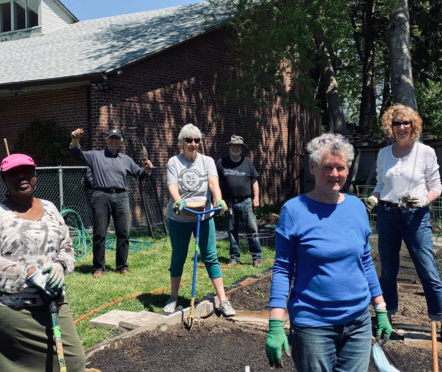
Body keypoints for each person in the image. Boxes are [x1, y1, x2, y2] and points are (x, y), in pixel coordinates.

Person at [266, 133, 392, 371]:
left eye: (340, 167)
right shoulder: (293, 211)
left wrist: (381, 308)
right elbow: (283, 269)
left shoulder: (357, 208)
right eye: (327, 167)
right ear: (312, 167)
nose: (335, 174)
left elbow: (365, 261)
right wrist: (275, 324)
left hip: (358, 322)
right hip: (313, 324)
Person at [364, 104, 442, 350]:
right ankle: (386, 316)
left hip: (415, 213)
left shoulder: (426, 152)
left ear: (414, 125)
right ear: (391, 126)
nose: (401, 127)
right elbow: (380, 183)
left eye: (406, 122)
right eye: (396, 123)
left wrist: (426, 199)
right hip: (387, 212)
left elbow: (437, 186)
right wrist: (374, 198)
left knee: (427, 269)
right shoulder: (384, 153)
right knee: (387, 269)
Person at [0, 153, 86, 371]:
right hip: (10, 308)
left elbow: (67, 247)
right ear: (4, 179)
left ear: (35, 175)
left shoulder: (51, 209)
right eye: (13, 174)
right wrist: (29, 273)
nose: (21, 177)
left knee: (74, 362)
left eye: (26, 172)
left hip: (53, 303)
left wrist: (60, 265)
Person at [163, 123, 235, 316]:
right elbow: (173, 186)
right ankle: (173, 298)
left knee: (210, 256)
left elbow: (213, 182)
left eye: (196, 140)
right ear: (182, 142)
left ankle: (223, 300)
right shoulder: (174, 162)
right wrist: (178, 202)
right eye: (189, 140)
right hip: (179, 218)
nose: (193, 144)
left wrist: (218, 199)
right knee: (178, 256)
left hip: (204, 216)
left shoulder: (207, 161)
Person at [69, 128, 154, 278]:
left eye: (117, 139)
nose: (114, 141)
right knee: (100, 233)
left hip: (121, 197)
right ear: (106, 140)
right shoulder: (95, 156)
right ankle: (99, 267)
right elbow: (77, 154)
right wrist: (75, 141)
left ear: (121, 142)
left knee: (123, 233)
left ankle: (122, 266)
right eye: (111, 138)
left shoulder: (126, 159)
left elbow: (139, 174)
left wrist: (146, 170)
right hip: (101, 196)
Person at [215, 135, 263, 268]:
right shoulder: (221, 163)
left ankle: (257, 257)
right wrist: (217, 199)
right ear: (229, 147)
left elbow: (254, 181)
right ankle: (234, 257)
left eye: (239, 146)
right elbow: (215, 182)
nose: (236, 148)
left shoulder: (247, 162)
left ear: (242, 148)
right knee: (232, 231)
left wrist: (256, 198)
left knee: (252, 230)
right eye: (234, 145)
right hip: (229, 203)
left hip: (246, 202)